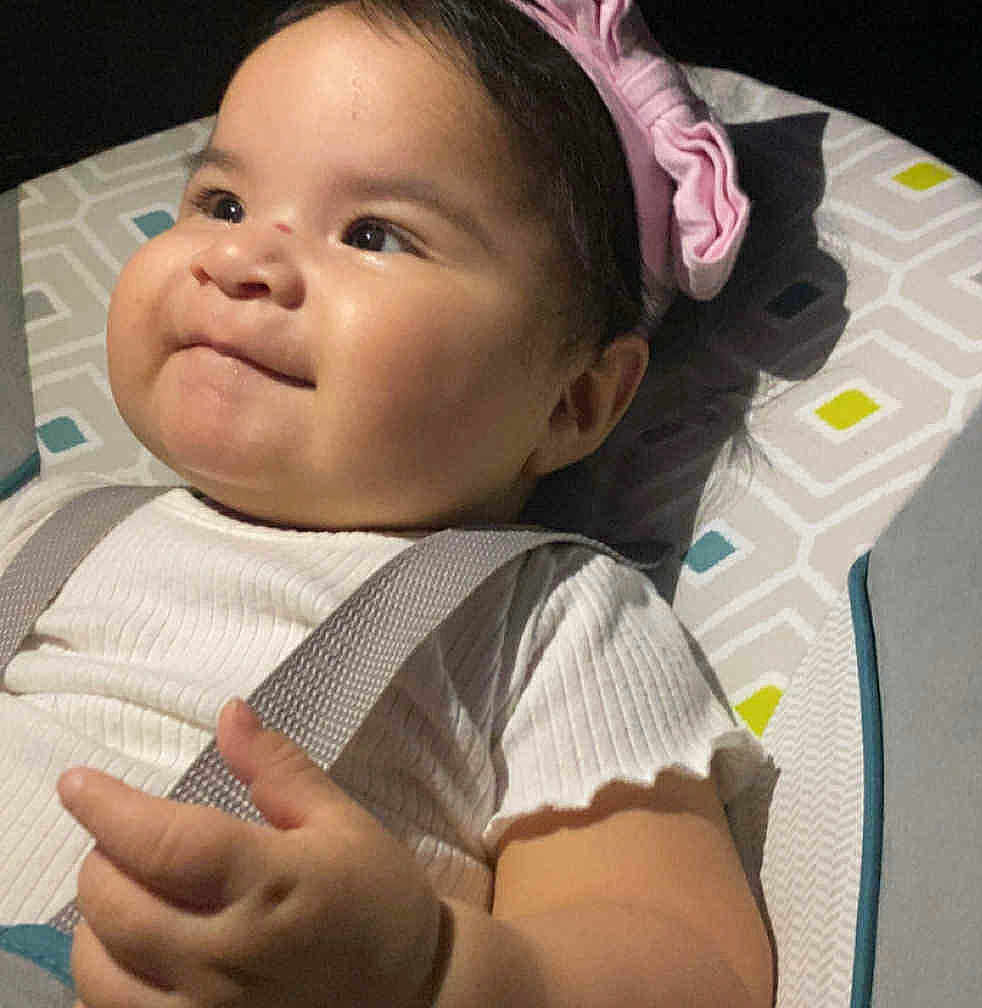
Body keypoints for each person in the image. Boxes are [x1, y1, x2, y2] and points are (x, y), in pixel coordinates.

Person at [0, 1, 772, 1005]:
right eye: (222, 203)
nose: (240, 261)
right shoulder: (46, 519)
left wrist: (427, 970)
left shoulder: (547, 618)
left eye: (374, 234)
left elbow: (689, 961)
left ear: (576, 401)